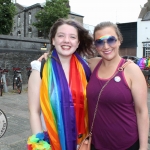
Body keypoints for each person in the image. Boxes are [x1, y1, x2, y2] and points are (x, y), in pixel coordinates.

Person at [38, 21, 149, 150]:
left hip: (126, 144)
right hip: (96, 144)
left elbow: (142, 112)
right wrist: (49, 57)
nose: (106, 46)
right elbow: (68, 59)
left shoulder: (132, 70)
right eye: (99, 42)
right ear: (96, 46)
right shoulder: (92, 64)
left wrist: (143, 147)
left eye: (111, 40)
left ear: (119, 40)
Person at [27, 18, 94, 150]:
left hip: (81, 142)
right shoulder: (40, 68)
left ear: (78, 42)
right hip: (51, 141)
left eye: (72, 37)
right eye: (61, 36)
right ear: (53, 40)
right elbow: (34, 111)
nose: (66, 40)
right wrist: (40, 145)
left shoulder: (86, 68)